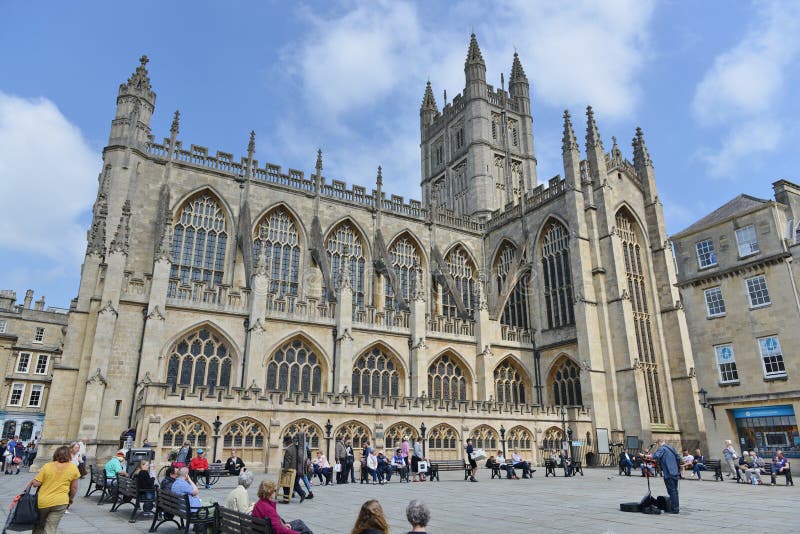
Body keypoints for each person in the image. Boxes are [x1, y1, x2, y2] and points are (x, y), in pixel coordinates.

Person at [26, 444, 79, 534]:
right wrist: (70, 499)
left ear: (56, 455)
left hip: (43, 501)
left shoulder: (47, 466)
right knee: (51, 527)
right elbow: (74, 488)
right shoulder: (73, 468)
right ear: (68, 456)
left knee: (38, 525)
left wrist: (34, 481)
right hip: (61, 501)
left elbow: (36, 483)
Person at [647, 438, 681, 514]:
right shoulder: (671, 448)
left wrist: (644, 455)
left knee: (672, 491)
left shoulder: (662, 449)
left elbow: (655, 456)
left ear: (659, 442)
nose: (657, 445)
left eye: (657, 443)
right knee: (675, 491)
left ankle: (675, 509)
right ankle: (675, 507)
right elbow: (678, 457)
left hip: (668, 473)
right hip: (675, 472)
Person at [281, 435, 307, 502]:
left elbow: (287, 461)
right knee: (295, 484)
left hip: (291, 470)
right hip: (297, 469)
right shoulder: (296, 447)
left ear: (287, 442)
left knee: (285, 484)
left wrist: (285, 470)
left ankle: (286, 499)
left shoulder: (288, 449)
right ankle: (302, 493)